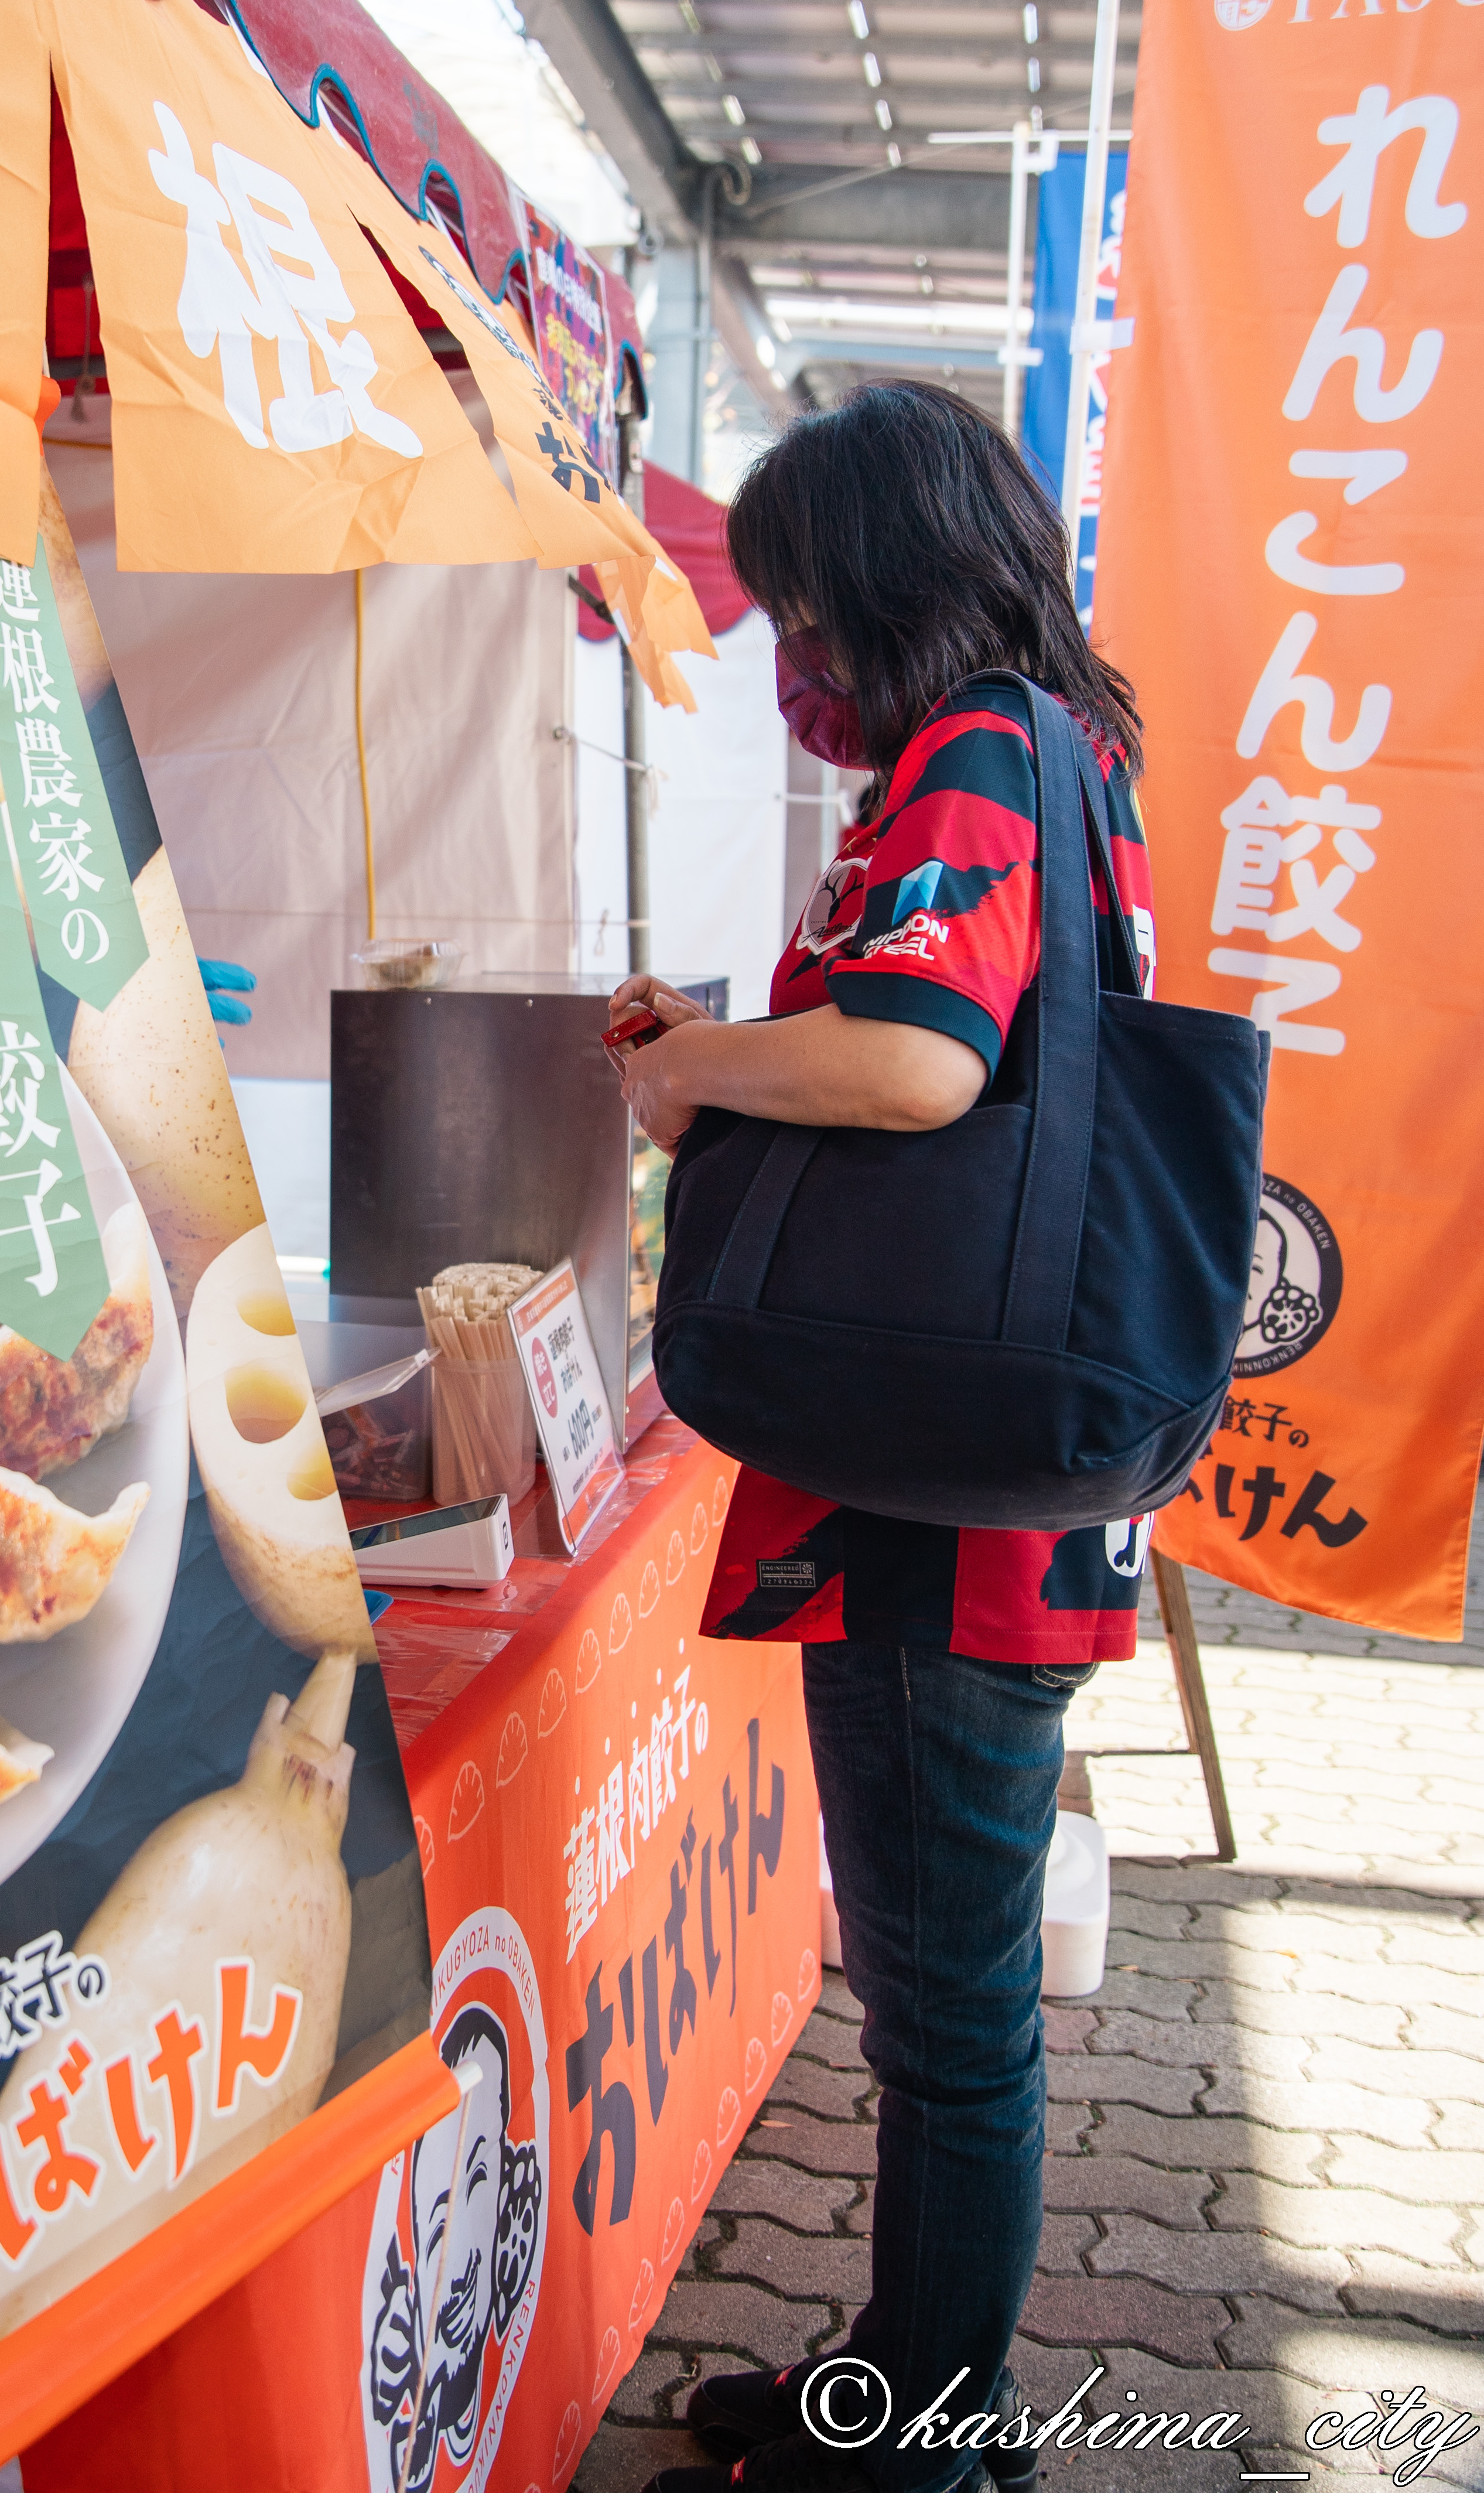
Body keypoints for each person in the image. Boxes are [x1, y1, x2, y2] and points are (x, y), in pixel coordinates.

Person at [607, 383, 1154, 2493]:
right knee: (951, 2010)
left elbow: (918, 1063)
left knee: (946, 2025)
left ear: (887, 575)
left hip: (941, 1499)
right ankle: (913, 2391)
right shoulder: (1068, 752)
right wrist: (736, 1053)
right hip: (986, 1463)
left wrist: (686, 1082)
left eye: (806, 610)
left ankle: (922, 2444)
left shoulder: (974, 753)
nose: (795, 662)